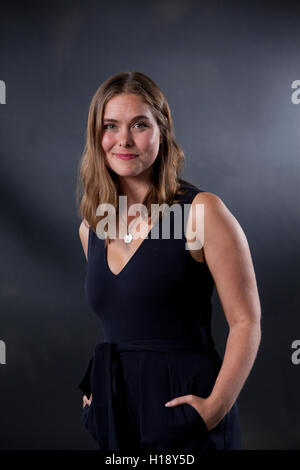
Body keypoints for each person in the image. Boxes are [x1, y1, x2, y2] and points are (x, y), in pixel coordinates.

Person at [75, 71, 261, 451]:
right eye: (111, 126)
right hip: (117, 420)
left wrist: (212, 410)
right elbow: (123, 319)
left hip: (186, 411)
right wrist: (97, 400)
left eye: (139, 124)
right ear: (97, 137)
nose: (124, 140)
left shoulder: (201, 211)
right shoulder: (90, 227)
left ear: (162, 131)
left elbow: (247, 322)